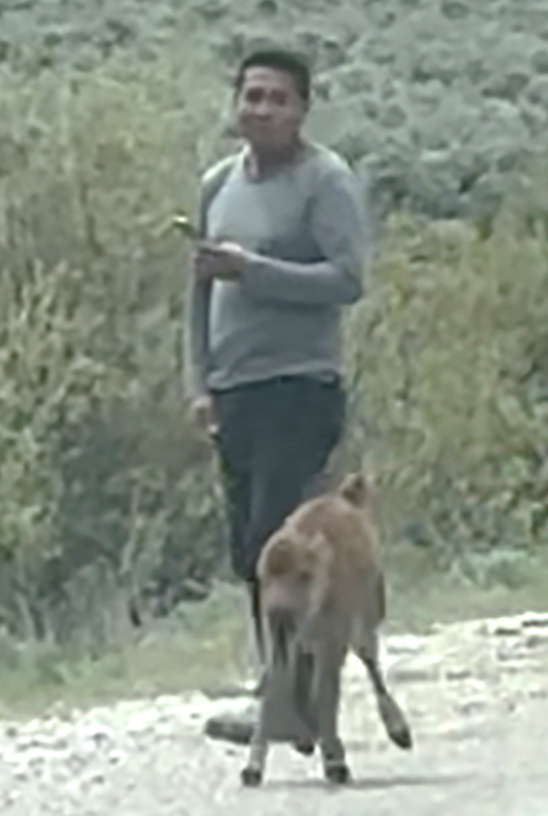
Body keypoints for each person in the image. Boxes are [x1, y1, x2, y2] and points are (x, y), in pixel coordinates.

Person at [181, 49, 372, 746]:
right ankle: (285, 694)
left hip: (301, 386)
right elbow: (198, 293)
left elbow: (346, 279)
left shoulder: (325, 181)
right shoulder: (216, 185)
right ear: (235, 103)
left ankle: (290, 700)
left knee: (282, 541)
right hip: (236, 392)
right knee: (249, 552)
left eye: (278, 98)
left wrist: (252, 269)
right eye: (252, 95)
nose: (261, 108)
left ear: (302, 110)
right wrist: (197, 382)